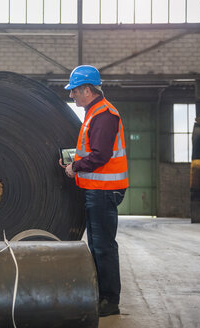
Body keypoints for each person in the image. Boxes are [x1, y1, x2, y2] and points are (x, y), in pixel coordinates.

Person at [59, 65, 128, 317]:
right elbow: (91, 150)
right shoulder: (93, 112)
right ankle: (102, 295)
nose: (72, 96)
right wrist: (72, 161)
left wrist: (75, 167)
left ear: (87, 89)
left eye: (74, 91)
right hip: (97, 188)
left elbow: (100, 155)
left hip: (104, 190)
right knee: (97, 245)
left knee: (103, 247)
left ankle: (110, 301)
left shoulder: (104, 115)